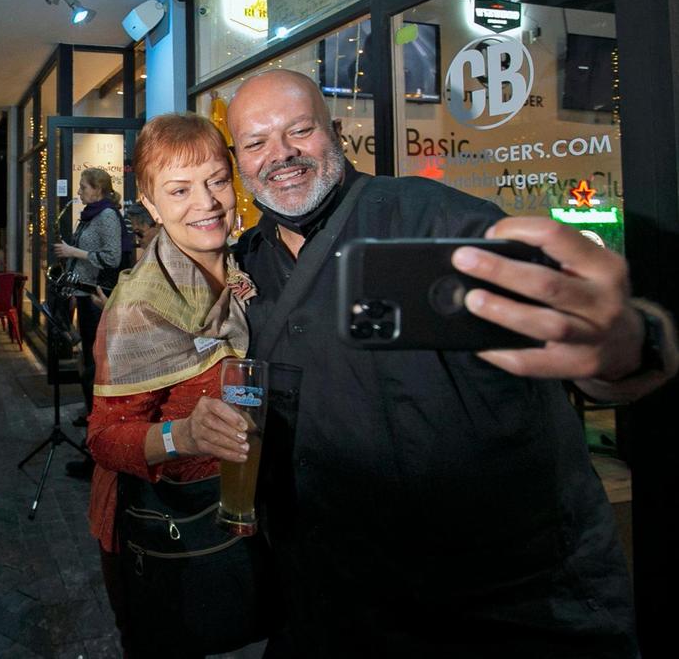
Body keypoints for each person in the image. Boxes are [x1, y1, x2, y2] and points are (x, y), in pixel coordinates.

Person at [204, 69, 678, 656]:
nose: (282, 155)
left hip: (497, 608)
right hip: (330, 603)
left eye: (300, 130)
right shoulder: (245, 263)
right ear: (239, 161)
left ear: (337, 133)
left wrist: (625, 344)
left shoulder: (435, 222)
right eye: (256, 143)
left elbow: (579, 333)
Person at [86, 113, 280, 657]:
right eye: (179, 189)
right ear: (150, 203)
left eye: (217, 180)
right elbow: (102, 439)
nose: (207, 202)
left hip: (244, 518)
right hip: (167, 532)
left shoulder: (249, 271)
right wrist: (184, 437)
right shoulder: (139, 306)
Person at [53, 167, 124, 441]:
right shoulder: (90, 216)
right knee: (88, 357)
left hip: (97, 297)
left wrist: (74, 252)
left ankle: (98, 423)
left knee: (96, 361)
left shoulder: (106, 216)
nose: (80, 192)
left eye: (83, 187)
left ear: (98, 189)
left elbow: (112, 258)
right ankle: (91, 412)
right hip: (83, 294)